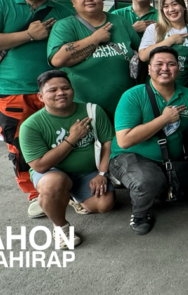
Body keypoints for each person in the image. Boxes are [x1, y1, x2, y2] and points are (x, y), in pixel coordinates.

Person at [0, 0, 73, 218]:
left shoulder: (63, 12)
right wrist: (30, 35)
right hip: (13, 90)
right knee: (20, 145)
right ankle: (34, 193)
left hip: (58, 89)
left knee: (62, 138)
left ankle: (63, 188)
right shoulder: (2, 4)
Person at [109, 46, 188, 235]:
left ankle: (164, 186)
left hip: (170, 159)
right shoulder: (133, 95)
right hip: (130, 156)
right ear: (149, 68)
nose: (165, 68)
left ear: (179, 68)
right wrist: (164, 119)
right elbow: (125, 140)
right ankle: (140, 213)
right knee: (148, 180)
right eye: (158, 64)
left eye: (171, 64)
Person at [19, 71, 115, 248]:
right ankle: (61, 227)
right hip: (52, 173)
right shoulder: (31, 126)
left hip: (88, 172)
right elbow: (40, 165)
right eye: (52, 90)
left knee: (104, 204)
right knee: (54, 184)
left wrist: (102, 173)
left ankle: (68, 197)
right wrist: (72, 139)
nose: (60, 93)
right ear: (40, 96)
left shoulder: (91, 111)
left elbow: (108, 143)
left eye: (65, 88)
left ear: (72, 90)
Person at [48, 0, 141, 118]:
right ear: (73, 2)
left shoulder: (120, 21)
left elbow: (141, 52)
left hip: (123, 104)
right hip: (84, 108)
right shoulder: (65, 26)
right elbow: (57, 60)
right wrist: (94, 39)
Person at [138, 0, 188, 88]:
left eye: (174, 4)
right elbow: (143, 56)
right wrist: (170, 40)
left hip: (185, 89)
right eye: (166, 6)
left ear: (183, 6)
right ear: (162, 10)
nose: (171, 9)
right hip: (156, 90)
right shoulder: (154, 29)